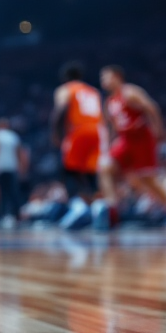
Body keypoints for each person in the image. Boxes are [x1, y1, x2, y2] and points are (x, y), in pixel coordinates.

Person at [96, 65, 166, 228]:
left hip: (141, 138)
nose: (103, 81)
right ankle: (112, 208)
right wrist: (111, 141)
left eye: (106, 77)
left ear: (117, 76)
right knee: (104, 167)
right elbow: (112, 125)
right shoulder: (109, 101)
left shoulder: (130, 92)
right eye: (102, 78)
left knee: (147, 179)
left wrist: (158, 130)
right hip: (125, 139)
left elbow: (151, 107)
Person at [50, 62, 103, 230]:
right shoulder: (93, 91)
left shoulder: (66, 89)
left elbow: (61, 110)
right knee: (91, 173)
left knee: (68, 171)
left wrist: (56, 133)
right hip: (97, 131)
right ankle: (98, 208)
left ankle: (78, 208)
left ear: (65, 78)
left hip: (78, 131)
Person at [0, 118, 26, 229]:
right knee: (13, 193)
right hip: (11, 167)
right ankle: (16, 216)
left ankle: (0, 216)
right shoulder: (13, 136)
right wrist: (21, 166)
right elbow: (19, 152)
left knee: (1, 193)